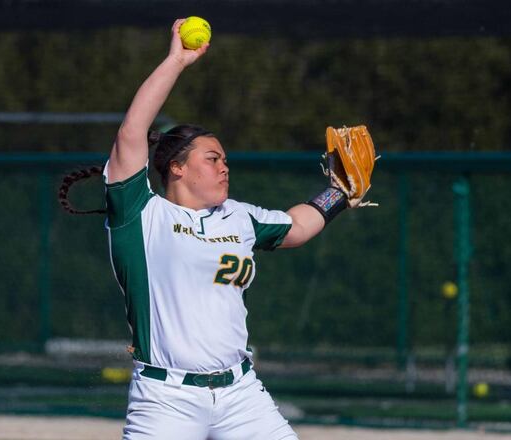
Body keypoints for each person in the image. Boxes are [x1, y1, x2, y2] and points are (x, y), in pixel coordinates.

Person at [63, 18, 369, 440]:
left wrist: (338, 193)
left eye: (225, 159)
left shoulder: (238, 217)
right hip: (166, 398)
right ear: (176, 167)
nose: (224, 166)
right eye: (212, 158)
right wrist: (176, 61)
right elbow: (131, 132)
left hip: (241, 394)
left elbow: (296, 226)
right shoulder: (141, 214)